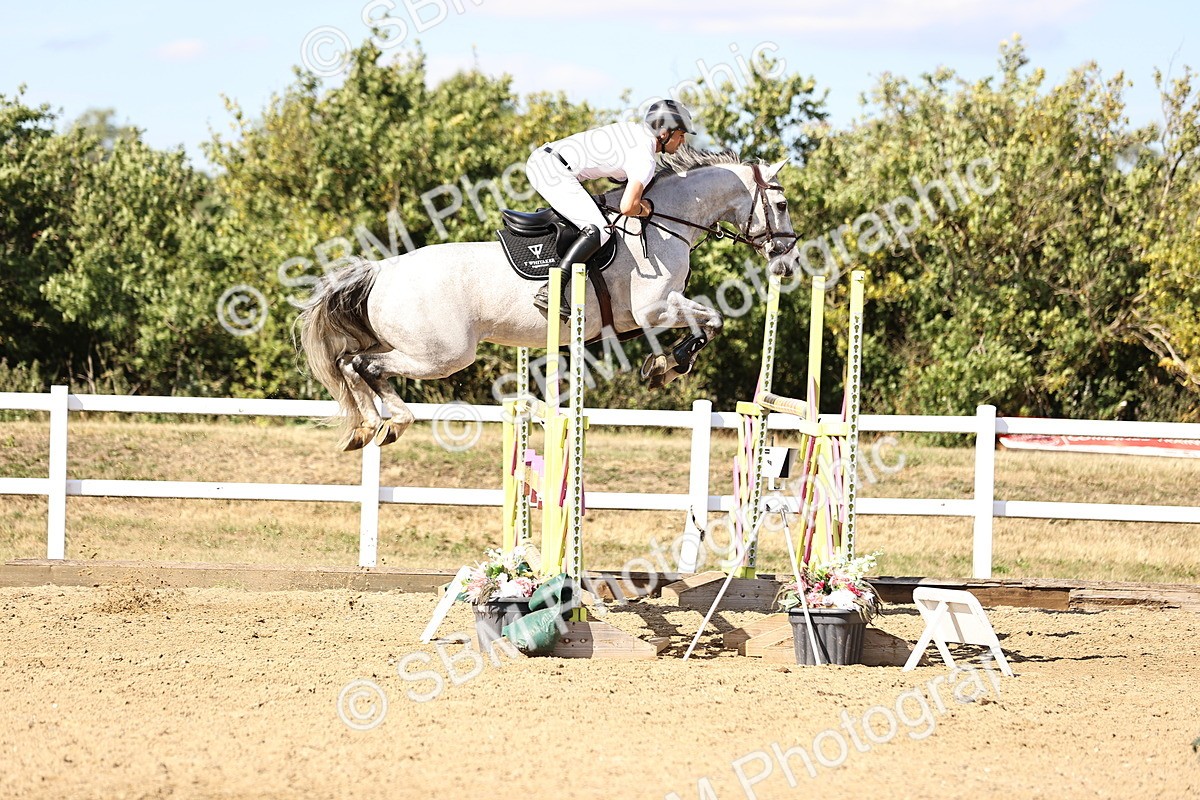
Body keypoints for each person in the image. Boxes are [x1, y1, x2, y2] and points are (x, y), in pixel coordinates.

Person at [525, 99, 696, 317]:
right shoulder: (645, 158)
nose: (683, 141)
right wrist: (645, 210)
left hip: (547, 161)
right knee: (600, 229)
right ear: (664, 133)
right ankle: (552, 290)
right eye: (681, 134)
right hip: (552, 171)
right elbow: (627, 206)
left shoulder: (633, 131)